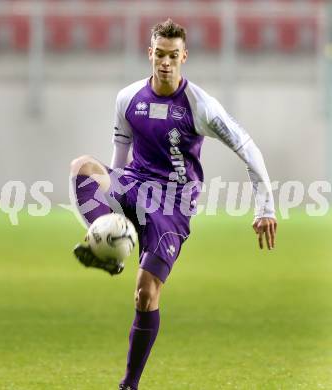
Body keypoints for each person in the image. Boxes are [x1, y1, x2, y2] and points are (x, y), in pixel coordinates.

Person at [70, 19, 277, 390]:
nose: (166, 62)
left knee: (146, 293)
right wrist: (113, 214)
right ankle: (108, 246)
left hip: (172, 205)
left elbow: (248, 149)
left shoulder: (200, 106)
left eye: (173, 56)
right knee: (83, 167)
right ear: (150, 54)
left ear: (184, 57)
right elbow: (118, 162)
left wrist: (265, 208)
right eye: (160, 55)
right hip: (135, 184)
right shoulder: (128, 99)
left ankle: (129, 384)